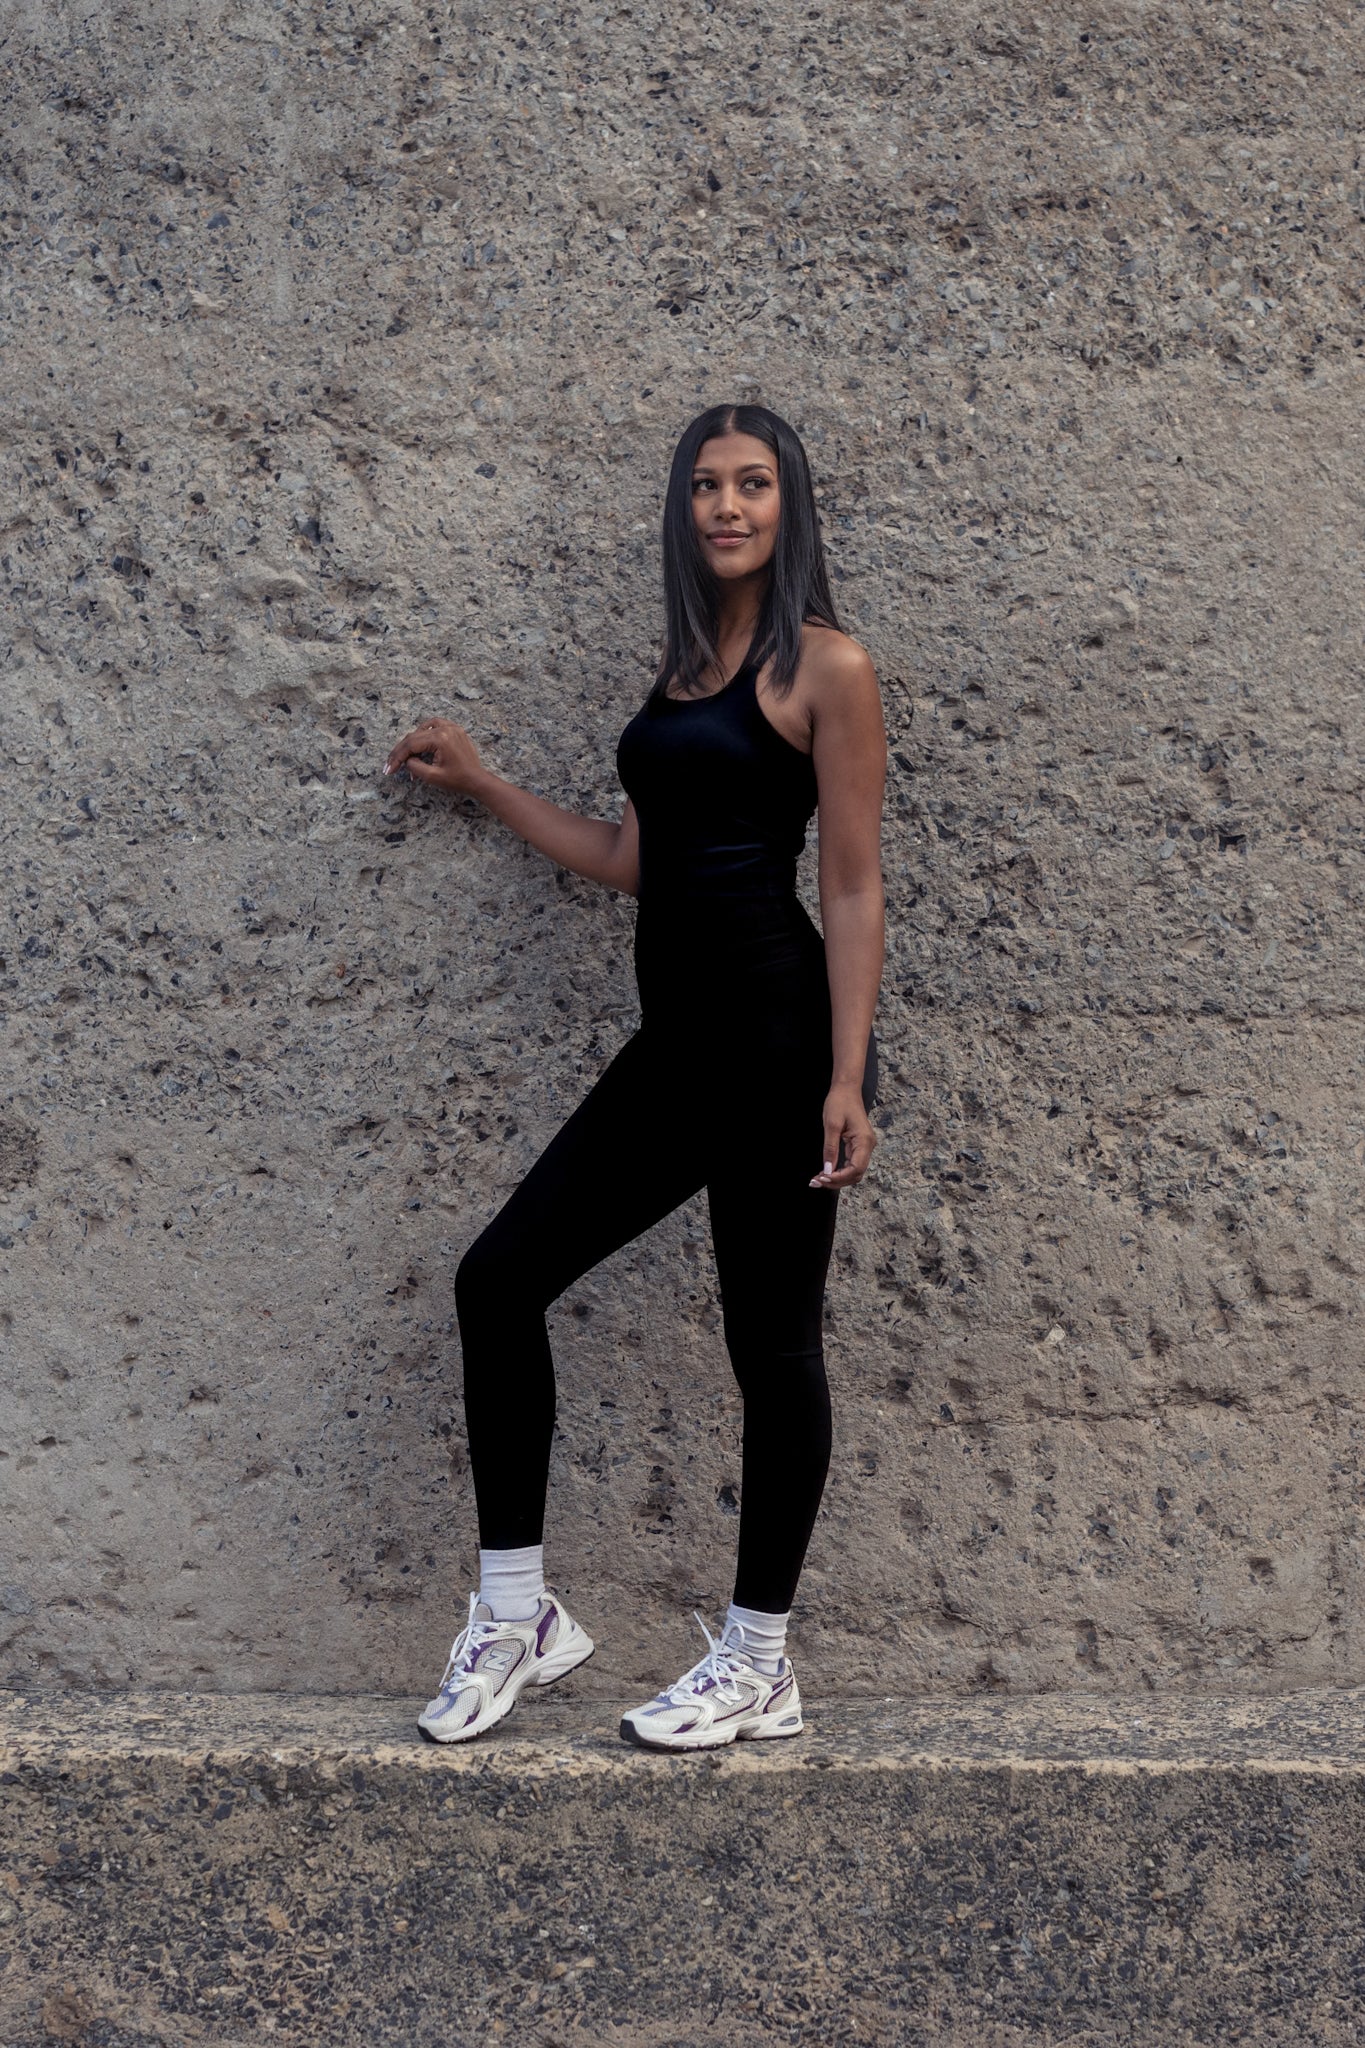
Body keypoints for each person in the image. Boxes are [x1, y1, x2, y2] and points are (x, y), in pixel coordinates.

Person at [383, 402, 886, 1751]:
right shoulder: (679, 674)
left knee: (771, 1350)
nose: (727, 506)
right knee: (498, 1281)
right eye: (706, 485)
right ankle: (517, 1616)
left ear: (788, 506)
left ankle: (759, 1660)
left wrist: (847, 1076)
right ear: (682, 509)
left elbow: (851, 883)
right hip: (679, 1051)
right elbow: (631, 862)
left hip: (780, 1046)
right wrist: (487, 784)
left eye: (753, 484)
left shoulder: (826, 667)